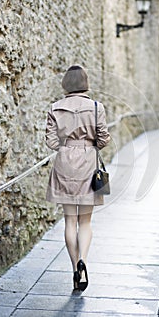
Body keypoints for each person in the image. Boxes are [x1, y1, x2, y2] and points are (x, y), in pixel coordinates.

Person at [45, 65, 110, 291]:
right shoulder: (95, 107)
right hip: (88, 163)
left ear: (66, 84)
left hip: (64, 162)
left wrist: (65, 147)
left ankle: (75, 268)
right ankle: (84, 258)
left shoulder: (55, 107)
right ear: (85, 83)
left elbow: (51, 141)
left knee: (69, 221)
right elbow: (104, 138)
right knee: (85, 221)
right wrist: (89, 146)